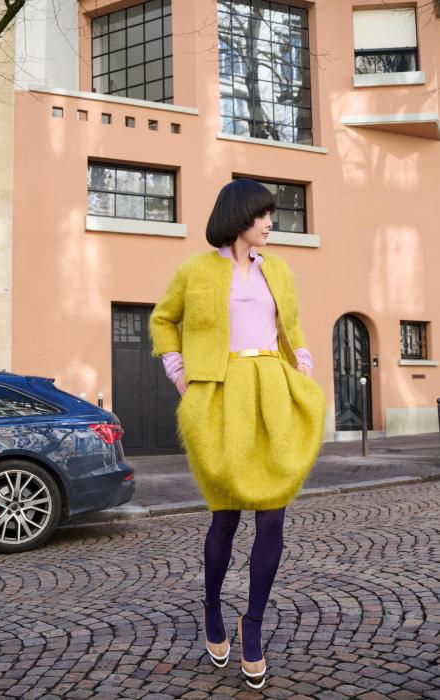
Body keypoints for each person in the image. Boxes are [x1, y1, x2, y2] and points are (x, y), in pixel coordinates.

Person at [149, 178, 326, 690]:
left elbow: (292, 324)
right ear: (238, 217)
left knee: (272, 520)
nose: (271, 222)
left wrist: (302, 362)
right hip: (221, 394)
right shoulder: (197, 270)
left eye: (271, 214)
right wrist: (178, 370)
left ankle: (253, 624)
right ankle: (212, 608)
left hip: (272, 390)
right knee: (225, 517)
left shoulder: (280, 270)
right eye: (262, 214)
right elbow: (163, 320)